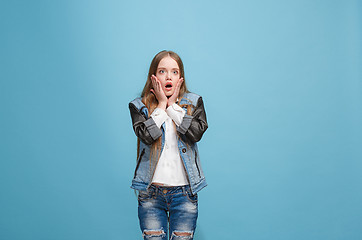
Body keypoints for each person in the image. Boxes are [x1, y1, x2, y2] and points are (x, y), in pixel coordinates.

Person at [128, 50, 208, 240]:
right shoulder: (139, 106)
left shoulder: (194, 103)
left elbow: (196, 133)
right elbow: (147, 135)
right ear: (153, 77)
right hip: (151, 195)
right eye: (162, 71)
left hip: (184, 193)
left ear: (181, 77)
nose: (168, 76)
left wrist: (173, 108)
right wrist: (162, 106)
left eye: (174, 71)